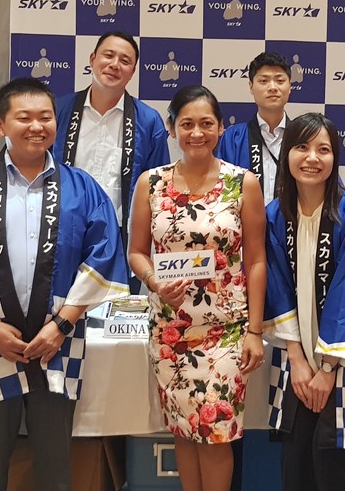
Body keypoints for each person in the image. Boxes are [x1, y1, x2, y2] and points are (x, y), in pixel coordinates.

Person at [0, 77, 129, 490]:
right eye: (24, 118)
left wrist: (61, 325)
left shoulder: (82, 188)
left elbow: (103, 255)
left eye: (45, 117)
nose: (36, 126)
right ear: (0, 125)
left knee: (54, 461)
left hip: (60, 342)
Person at [128, 85, 267, 491]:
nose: (197, 132)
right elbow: (137, 252)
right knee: (184, 431)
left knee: (216, 436)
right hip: (170, 331)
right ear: (172, 129)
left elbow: (257, 260)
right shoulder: (150, 184)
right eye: (186, 124)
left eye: (207, 123)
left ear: (221, 128)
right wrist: (154, 281)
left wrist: (255, 331)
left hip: (225, 330)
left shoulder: (243, 183)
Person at [263, 113, 345, 491]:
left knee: (336, 468)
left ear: (336, 158)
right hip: (297, 367)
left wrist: (326, 367)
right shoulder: (275, 216)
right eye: (302, 147)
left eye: (324, 149)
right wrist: (298, 360)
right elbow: (275, 288)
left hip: (344, 367)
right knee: (297, 463)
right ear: (287, 153)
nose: (312, 158)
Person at [52, 30, 170, 228]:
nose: (114, 65)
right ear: (92, 59)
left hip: (121, 236)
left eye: (125, 61)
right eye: (108, 55)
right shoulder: (59, 111)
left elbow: (158, 189)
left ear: (132, 72)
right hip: (63, 229)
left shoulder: (149, 121)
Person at [215, 51, 291, 204]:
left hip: (292, 226)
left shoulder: (304, 137)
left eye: (280, 80)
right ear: (251, 87)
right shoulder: (233, 138)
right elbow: (219, 191)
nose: (272, 87)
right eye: (263, 81)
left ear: (290, 87)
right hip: (244, 225)